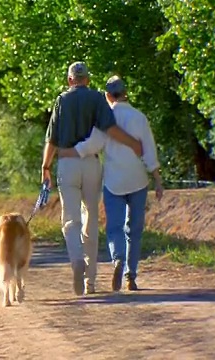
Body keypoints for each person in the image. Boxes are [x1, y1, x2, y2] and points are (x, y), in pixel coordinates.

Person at [41, 62, 143, 296]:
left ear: (69, 80)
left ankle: (77, 260)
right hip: (91, 164)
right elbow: (111, 130)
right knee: (92, 217)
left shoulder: (61, 101)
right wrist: (133, 143)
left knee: (71, 219)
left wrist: (46, 167)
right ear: (87, 79)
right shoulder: (98, 99)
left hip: (67, 163)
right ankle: (91, 283)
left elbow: (52, 139)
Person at [59, 75, 164, 291]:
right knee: (134, 229)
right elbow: (149, 148)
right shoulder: (139, 117)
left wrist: (70, 152)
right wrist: (157, 177)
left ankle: (117, 258)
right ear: (125, 93)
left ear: (107, 96)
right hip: (138, 180)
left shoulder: (105, 117)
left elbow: (93, 145)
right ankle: (130, 276)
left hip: (114, 182)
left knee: (114, 228)